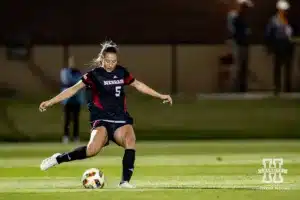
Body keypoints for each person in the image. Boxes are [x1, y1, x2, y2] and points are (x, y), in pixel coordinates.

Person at [38, 41, 173, 188]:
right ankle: (58, 158)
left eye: (114, 61)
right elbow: (72, 89)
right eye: (108, 61)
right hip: (101, 119)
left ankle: (124, 182)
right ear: (102, 59)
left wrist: (160, 95)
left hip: (121, 118)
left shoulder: (122, 72)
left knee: (130, 140)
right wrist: (51, 102)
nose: (110, 64)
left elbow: (138, 85)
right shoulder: (93, 75)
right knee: (91, 150)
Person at [265, 0, 294, 95]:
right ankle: (277, 87)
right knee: (277, 66)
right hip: (278, 44)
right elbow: (269, 33)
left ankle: (287, 86)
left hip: (287, 44)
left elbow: (290, 33)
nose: (285, 12)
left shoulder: (287, 20)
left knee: (288, 65)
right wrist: (269, 46)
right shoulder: (274, 20)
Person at [227, 0, 253, 92]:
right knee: (238, 66)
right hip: (238, 44)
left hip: (244, 44)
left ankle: (242, 87)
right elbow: (233, 31)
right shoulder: (236, 18)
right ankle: (235, 87)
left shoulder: (244, 19)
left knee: (243, 66)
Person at [60, 56, 84, 143]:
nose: (72, 63)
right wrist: (75, 84)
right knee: (67, 119)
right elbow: (67, 81)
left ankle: (76, 136)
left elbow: (81, 83)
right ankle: (66, 136)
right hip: (67, 99)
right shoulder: (64, 71)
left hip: (77, 99)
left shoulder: (78, 72)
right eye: (71, 62)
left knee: (76, 119)